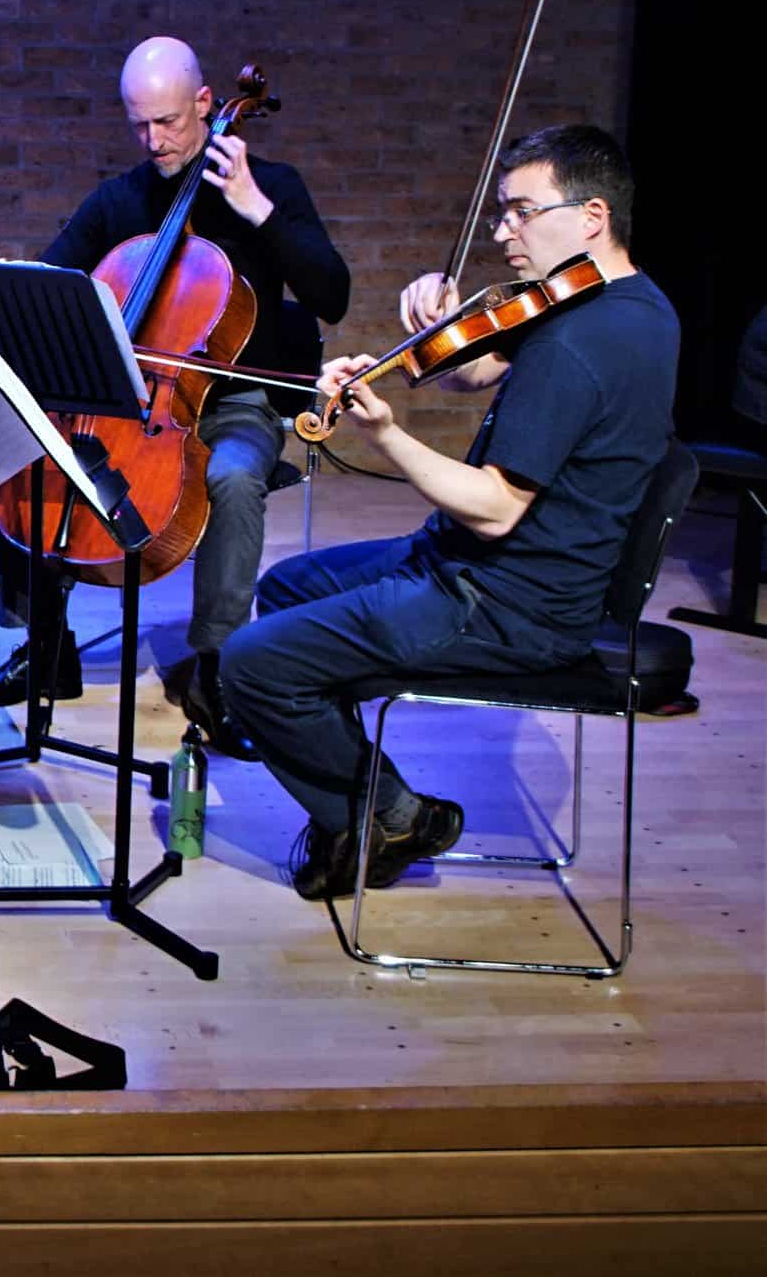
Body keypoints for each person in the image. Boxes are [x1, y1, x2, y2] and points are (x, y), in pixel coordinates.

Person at [218, 124, 679, 900]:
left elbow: (496, 510)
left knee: (250, 664)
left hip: (506, 601)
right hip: (485, 566)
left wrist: (386, 434)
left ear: (592, 216)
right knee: (289, 588)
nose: (502, 233)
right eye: (501, 213)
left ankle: (391, 817)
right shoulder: (632, 304)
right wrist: (443, 325)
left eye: (522, 212)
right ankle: (365, 803)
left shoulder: (577, 345)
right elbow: (476, 372)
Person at [0, 37, 350, 759]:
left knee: (232, 478)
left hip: (237, 404)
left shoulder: (272, 186)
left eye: (168, 122)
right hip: (125, 401)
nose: (154, 140)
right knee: (13, 452)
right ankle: (47, 649)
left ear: (206, 104)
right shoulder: (119, 200)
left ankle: (219, 670)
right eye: (139, 124)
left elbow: (333, 295)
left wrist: (258, 211)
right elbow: (49, 284)